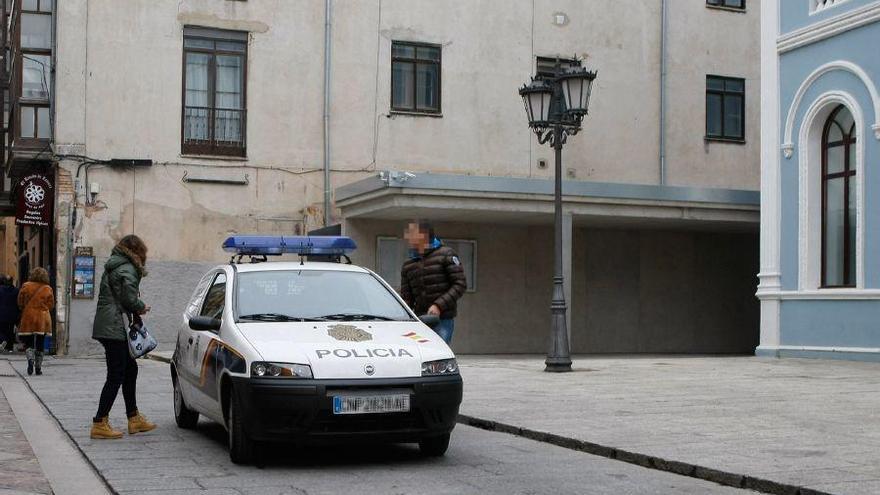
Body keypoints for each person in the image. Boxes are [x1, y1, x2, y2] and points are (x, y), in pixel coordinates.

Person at [90, 235, 155, 440]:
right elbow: (128, 297)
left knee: (129, 369)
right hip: (115, 326)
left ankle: (133, 418)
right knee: (116, 374)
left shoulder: (114, 264)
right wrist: (141, 306)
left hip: (109, 324)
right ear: (138, 251)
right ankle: (100, 422)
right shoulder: (128, 267)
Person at [400, 221, 467, 344]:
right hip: (420, 320)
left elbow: (460, 284)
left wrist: (438, 305)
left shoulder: (446, 254)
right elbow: (406, 297)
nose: (409, 238)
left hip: (442, 318)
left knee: (438, 354)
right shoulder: (408, 265)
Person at [17, 268, 54, 375]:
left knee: (28, 341)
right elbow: (51, 305)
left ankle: (30, 361)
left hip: (29, 316)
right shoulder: (48, 288)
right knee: (40, 342)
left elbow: (20, 301)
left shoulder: (26, 286)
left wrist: (26, 308)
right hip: (43, 318)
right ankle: (38, 368)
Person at [0, 275, 19, 352]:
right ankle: (10, 347)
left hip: (1, 313)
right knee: (10, 330)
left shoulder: (0, 289)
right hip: (12, 315)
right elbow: (18, 302)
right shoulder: (16, 290)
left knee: (1, 329)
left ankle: (3, 340)